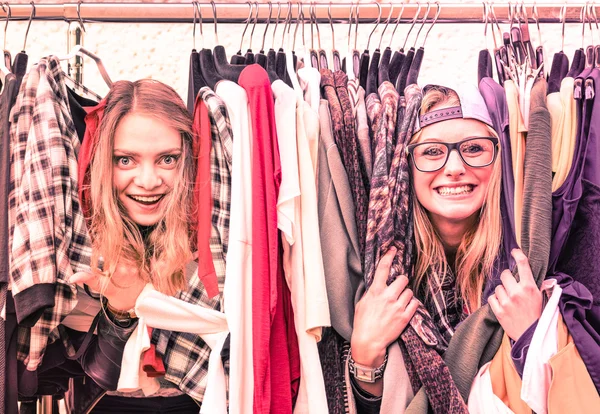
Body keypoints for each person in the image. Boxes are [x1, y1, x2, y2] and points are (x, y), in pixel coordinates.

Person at [349, 84, 543, 411]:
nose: (454, 168)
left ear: (500, 160)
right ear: (405, 167)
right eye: (433, 152)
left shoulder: (526, 268)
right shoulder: (383, 271)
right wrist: (364, 355)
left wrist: (532, 338)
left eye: (474, 149)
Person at [69, 79, 207, 413]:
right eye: (126, 160)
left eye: (167, 160)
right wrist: (118, 311)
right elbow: (97, 375)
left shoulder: (215, 236)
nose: (148, 182)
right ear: (104, 162)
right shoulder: (80, 231)